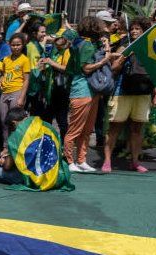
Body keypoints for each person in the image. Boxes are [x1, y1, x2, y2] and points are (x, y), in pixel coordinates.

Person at [103, 18, 155, 173]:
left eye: (138, 29)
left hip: (143, 92)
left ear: (144, 31)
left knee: (137, 128)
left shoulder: (150, 49)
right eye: (132, 29)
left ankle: (135, 162)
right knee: (114, 127)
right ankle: (107, 161)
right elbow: (113, 68)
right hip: (122, 92)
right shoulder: (124, 46)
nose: (134, 31)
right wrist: (124, 56)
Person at [64, 16, 114, 172]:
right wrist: (105, 60)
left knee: (86, 129)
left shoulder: (82, 43)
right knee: (75, 129)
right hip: (82, 90)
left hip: (90, 90)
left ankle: (81, 160)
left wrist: (105, 46)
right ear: (94, 28)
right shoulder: (85, 45)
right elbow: (86, 68)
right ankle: (70, 161)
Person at [0, 32, 30, 142]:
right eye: (13, 45)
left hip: (17, 92)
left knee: (15, 122)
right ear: (9, 45)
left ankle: (16, 147)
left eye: (18, 44)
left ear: (23, 45)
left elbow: (27, 79)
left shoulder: (25, 60)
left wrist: (22, 97)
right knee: (4, 121)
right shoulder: (6, 59)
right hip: (4, 93)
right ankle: (6, 147)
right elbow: (4, 73)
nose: (16, 47)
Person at [41, 34, 71, 137]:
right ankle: (48, 140)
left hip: (61, 91)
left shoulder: (67, 52)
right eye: (56, 43)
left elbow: (67, 69)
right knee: (47, 118)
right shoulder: (56, 52)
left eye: (60, 44)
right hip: (51, 90)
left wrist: (52, 63)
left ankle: (64, 143)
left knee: (61, 119)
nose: (57, 45)